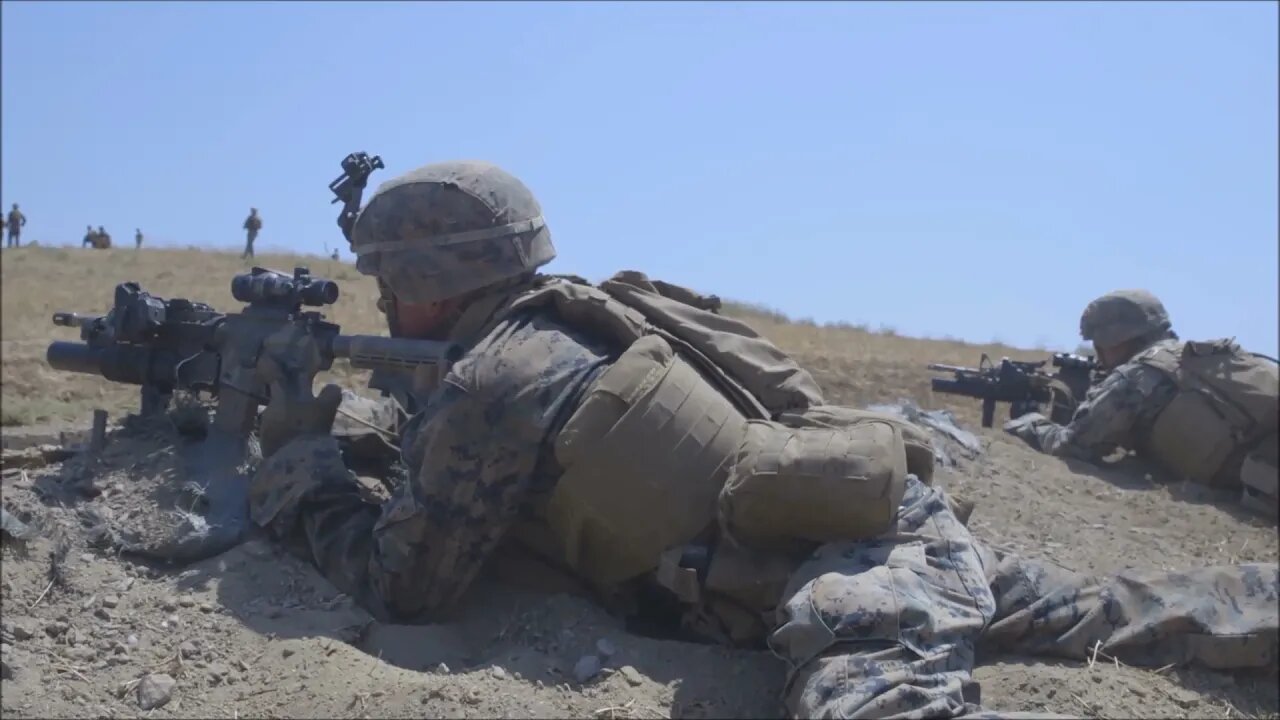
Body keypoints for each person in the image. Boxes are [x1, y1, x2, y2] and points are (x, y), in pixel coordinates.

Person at [248, 161, 1278, 719]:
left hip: (845, 577)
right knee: (1103, 612)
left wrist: (302, 460)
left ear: (427, 282)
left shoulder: (489, 382)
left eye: (389, 282)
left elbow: (407, 585)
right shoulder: (583, 313)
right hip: (880, 519)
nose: (381, 301)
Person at [1004, 289, 1278, 517]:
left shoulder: (1137, 376)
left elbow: (1072, 445)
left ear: (1114, 339)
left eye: (1098, 342)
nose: (1098, 353)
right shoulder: (1199, 360)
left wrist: (1031, 422)